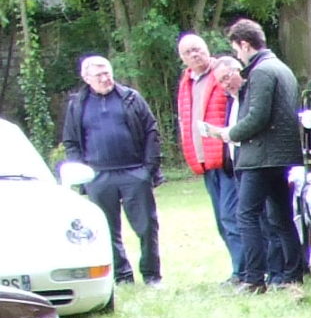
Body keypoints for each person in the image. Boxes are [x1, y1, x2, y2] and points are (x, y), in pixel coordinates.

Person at [56, 54, 162, 287]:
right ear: (86, 78)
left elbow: (151, 131)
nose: (105, 78)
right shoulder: (77, 105)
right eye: (99, 75)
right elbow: (71, 142)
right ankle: (122, 276)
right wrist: (83, 173)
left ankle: (152, 275)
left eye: (107, 73)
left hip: (134, 173)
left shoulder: (131, 98)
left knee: (146, 226)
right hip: (98, 177)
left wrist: (148, 169)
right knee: (106, 229)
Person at [220, 19, 302, 294]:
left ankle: (254, 279)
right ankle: (293, 275)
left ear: (245, 45)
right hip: (282, 155)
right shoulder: (282, 68)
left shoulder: (261, 71)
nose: (238, 55)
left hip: (261, 157)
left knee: (246, 215)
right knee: (282, 217)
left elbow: (257, 116)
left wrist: (230, 133)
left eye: (236, 50)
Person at [173, 32, 247, 285]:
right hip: (205, 162)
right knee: (221, 221)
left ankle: (245, 271)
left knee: (231, 216)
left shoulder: (222, 73)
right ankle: (238, 268)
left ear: (206, 49)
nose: (194, 54)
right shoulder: (186, 83)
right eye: (188, 52)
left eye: (197, 49)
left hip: (227, 159)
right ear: (182, 58)